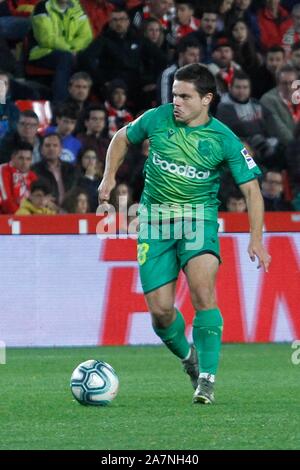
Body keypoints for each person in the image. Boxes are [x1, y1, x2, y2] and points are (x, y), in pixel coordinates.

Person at [98, 63, 271, 405]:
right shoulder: (157, 117)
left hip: (198, 221)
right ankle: (188, 359)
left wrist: (256, 238)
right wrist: (108, 177)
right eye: (174, 94)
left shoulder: (223, 139)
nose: (175, 101)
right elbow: (121, 137)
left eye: (185, 96)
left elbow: (252, 191)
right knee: (161, 313)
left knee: (203, 292)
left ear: (206, 99)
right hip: (154, 222)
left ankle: (207, 378)